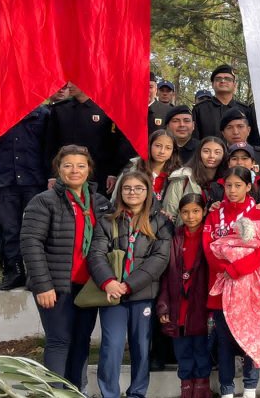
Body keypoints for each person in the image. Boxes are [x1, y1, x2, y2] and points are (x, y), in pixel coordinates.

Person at [20, 145, 113, 390]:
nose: (75, 171)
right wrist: (43, 285)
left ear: (89, 169)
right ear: (58, 169)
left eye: (81, 165)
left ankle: (76, 390)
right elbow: (31, 243)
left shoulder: (99, 202)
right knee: (59, 341)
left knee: (82, 341)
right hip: (56, 286)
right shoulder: (44, 201)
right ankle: (54, 393)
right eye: (68, 165)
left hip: (87, 287)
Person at [89, 171, 172, 398]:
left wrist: (129, 285)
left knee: (141, 348)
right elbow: (96, 253)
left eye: (138, 188)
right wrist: (108, 282)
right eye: (127, 188)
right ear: (120, 191)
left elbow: (160, 259)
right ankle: (109, 393)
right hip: (112, 294)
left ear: (148, 192)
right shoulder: (108, 219)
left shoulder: (160, 221)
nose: (132, 192)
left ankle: (137, 393)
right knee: (112, 346)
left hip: (142, 294)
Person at [203, 167, 260, 398]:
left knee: (250, 337)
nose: (232, 191)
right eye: (228, 186)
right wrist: (225, 270)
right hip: (222, 286)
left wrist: (237, 269)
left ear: (248, 187)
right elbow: (208, 247)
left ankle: (250, 387)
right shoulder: (214, 214)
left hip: (251, 287)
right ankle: (227, 389)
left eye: (238, 185)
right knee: (224, 341)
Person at [0, 103, 49, 290]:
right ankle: (15, 272)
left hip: (35, 181)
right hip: (5, 181)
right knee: (10, 230)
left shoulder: (43, 115)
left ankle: (37, 275)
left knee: (38, 230)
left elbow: (48, 148)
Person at [157, 193, 213, 398]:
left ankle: (202, 385)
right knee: (182, 349)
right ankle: (186, 385)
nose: (191, 216)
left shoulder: (210, 236)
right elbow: (165, 274)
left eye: (196, 211)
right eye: (186, 212)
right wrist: (163, 306)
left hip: (201, 304)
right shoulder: (176, 237)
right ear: (179, 214)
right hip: (177, 303)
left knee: (201, 347)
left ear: (204, 211)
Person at [46, 83, 123, 191]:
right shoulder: (60, 109)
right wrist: (52, 175)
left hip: (99, 175)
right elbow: (51, 144)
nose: (69, 86)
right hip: (67, 174)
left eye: (74, 82)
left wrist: (113, 173)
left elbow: (115, 144)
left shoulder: (107, 108)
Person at [112, 129, 182, 212]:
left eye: (168, 148)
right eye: (158, 146)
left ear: (173, 152)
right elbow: (115, 200)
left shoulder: (178, 176)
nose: (162, 151)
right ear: (149, 146)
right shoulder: (132, 169)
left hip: (167, 222)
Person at [163, 137, 228, 220]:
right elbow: (169, 213)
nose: (211, 156)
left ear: (224, 155)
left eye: (217, 152)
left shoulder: (228, 181)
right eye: (206, 151)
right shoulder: (183, 177)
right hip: (186, 231)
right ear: (199, 153)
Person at [193, 65, 258, 144]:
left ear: (234, 85)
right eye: (218, 79)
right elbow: (195, 140)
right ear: (212, 84)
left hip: (238, 155)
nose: (223, 81)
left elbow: (253, 140)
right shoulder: (200, 109)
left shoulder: (246, 110)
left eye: (228, 79)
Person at [219, 108, 260, 191]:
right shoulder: (219, 156)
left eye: (240, 126)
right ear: (223, 133)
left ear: (248, 130)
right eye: (229, 127)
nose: (236, 132)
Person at [224, 143, 260, 208]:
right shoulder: (219, 185)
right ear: (229, 163)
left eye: (244, 158)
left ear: (253, 163)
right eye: (234, 159)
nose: (239, 162)